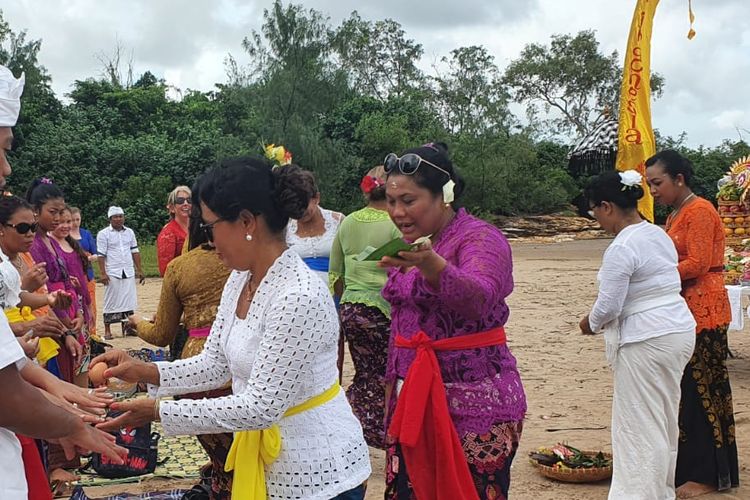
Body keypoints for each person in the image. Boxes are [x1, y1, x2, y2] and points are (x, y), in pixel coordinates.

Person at [93, 158, 371, 500]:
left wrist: (158, 410)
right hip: (272, 466)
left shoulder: (297, 295)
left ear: (246, 222)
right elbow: (216, 363)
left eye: (210, 227)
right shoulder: (241, 278)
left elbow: (261, 406)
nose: (205, 239)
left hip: (319, 471)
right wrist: (146, 371)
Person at [0, 64, 127, 500]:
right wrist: (71, 421)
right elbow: (5, 390)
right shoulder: (38, 252)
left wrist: (59, 392)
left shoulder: (68, 244)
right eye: (0, 150)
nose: (5, 167)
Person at [379, 143, 526, 500]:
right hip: (412, 399)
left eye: (409, 201)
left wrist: (430, 264)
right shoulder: (414, 245)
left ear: (444, 195)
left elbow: (479, 297)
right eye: (391, 200)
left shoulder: (481, 237)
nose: (397, 212)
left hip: (473, 405)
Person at [579, 170, 696, 499]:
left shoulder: (622, 246)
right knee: (662, 417)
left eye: (594, 212)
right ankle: (660, 491)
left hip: (646, 338)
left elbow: (609, 307)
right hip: (677, 330)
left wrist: (588, 323)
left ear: (607, 207)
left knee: (637, 426)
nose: (597, 219)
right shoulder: (658, 234)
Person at [646, 150, 739, 498]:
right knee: (688, 390)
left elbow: (698, 262)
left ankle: (708, 474)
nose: (653, 190)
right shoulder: (676, 213)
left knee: (703, 389)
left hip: (705, 310)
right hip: (687, 309)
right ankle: (697, 467)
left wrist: (653, 274)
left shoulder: (699, 211)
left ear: (679, 179)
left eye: (658, 183)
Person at [130, 182, 233, 497]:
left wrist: (136, 325)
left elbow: (162, 332)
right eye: (181, 200)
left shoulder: (181, 267)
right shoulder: (243, 262)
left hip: (196, 353)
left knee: (221, 446)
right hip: (231, 355)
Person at [328, 165, 400, 449]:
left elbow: (336, 271)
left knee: (364, 372)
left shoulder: (347, 222)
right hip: (383, 310)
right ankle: (382, 429)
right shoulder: (396, 223)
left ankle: (356, 423)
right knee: (387, 374)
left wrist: (345, 303)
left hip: (352, 309)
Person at [51, 206, 93, 386]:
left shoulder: (72, 244)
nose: (65, 225)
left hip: (80, 305)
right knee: (69, 355)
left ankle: (83, 391)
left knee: (83, 352)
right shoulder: (51, 246)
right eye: (60, 222)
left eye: (68, 221)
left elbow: (82, 280)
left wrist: (86, 307)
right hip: (65, 308)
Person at [286, 170, 344, 284]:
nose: (300, 213)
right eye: (295, 208)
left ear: (316, 198)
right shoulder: (286, 229)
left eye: (304, 206)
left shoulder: (338, 221)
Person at [96, 206, 145, 340]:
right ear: (110, 219)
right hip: (112, 270)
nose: (118, 219)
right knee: (111, 299)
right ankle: (107, 329)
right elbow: (101, 255)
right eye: (115, 217)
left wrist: (139, 269)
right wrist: (103, 273)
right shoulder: (104, 234)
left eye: (120, 216)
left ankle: (128, 327)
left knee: (128, 300)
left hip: (127, 270)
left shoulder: (129, 232)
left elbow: (135, 251)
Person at [69, 206, 99, 336]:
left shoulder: (86, 234)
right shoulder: (65, 235)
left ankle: (92, 332)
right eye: (73, 220)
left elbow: (96, 253)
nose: (75, 223)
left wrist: (90, 258)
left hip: (87, 273)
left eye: (78, 219)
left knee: (91, 303)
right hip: (73, 274)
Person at [156, 185, 191, 276]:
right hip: (181, 282)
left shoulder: (200, 227)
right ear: (172, 208)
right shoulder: (168, 233)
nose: (185, 203)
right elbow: (165, 270)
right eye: (180, 201)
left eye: (189, 200)